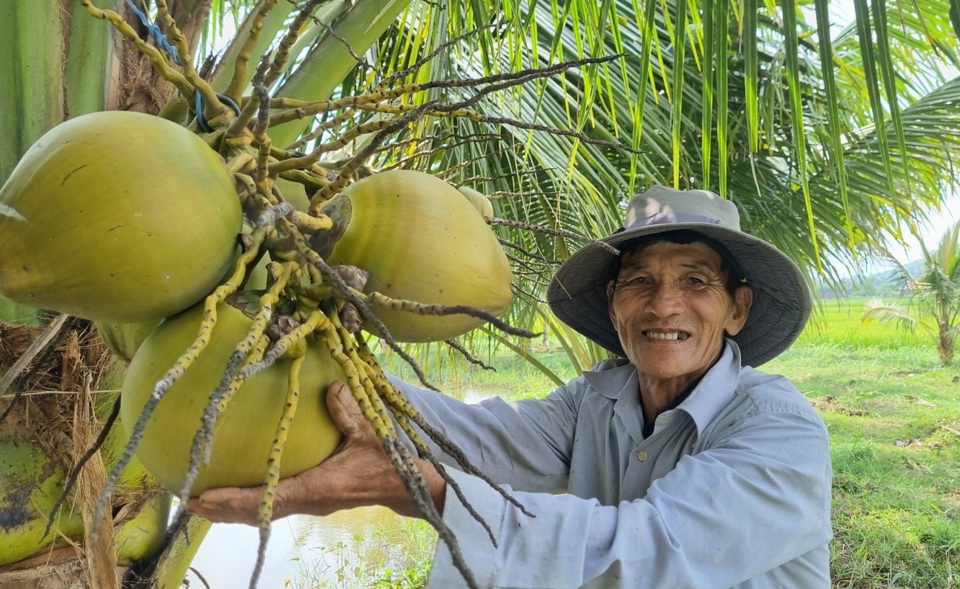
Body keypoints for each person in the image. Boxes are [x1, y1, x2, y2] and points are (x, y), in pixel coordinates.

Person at [187, 186, 833, 588]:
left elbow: (646, 554)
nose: (665, 305)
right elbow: (483, 440)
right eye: (641, 281)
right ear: (614, 305)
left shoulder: (781, 431)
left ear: (737, 308)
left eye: (695, 281)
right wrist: (339, 370)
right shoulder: (597, 399)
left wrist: (422, 488)